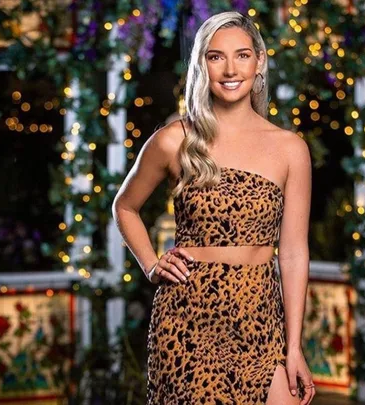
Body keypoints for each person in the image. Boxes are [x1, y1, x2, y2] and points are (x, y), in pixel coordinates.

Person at [112, 10, 314, 405]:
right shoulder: (176, 139)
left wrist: (293, 347)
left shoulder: (291, 149)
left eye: (241, 55)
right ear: (202, 64)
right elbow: (125, 207)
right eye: (215, 56)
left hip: (259, 316)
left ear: (260, 62)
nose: (229, 68)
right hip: (188, 317)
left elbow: (292, 253)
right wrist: (152, 265)